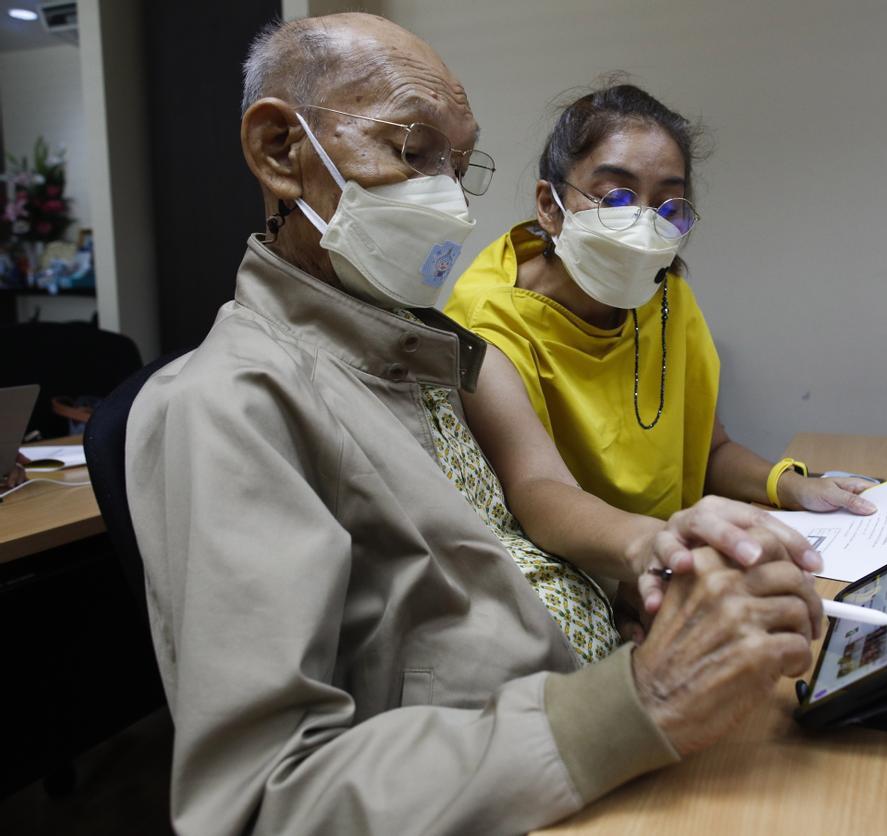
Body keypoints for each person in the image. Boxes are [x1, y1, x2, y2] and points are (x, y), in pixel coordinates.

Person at [126, 14, 824, 835]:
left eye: (458, 167)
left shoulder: (431, 347)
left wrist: (640, 578)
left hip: (599, 714)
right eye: (413, 151)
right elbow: (259, 801)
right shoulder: (228, 405)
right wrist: (636, 700)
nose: (448, 203)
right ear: (282, 151)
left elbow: (525, 524)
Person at [444, 84, 878, 536]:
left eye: (668, 206)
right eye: (615, 198)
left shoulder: (667, 299)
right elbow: (536, 491)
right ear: (549, 207)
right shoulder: (488, 323)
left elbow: (710, 452)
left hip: (669, 554)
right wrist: (659, 550)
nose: (643, 224)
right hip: (585, 576)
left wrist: (792, 487)